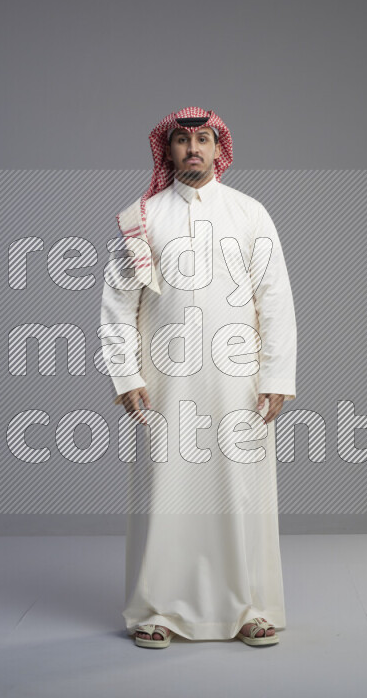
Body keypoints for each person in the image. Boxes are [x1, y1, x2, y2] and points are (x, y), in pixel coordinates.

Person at [99, 106, 297, 648]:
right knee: (165, 492)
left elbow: (274, 298)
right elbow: (118, 303)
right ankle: (157, 611)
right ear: (167, 151)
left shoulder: (251, 214)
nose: (193, 149)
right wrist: (125, 374)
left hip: (240, 380)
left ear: (218, 148)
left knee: (241, 490)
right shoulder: (141, 218)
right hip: (165, 384)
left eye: (203, 139)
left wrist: (277, 373)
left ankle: (251, 608)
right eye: (182, 141)